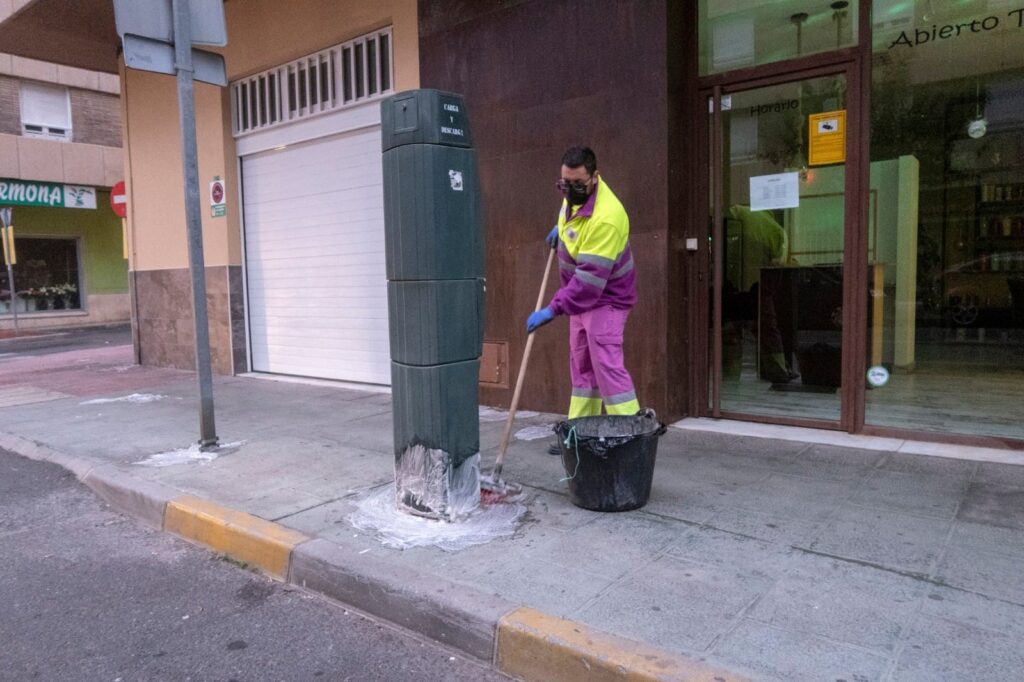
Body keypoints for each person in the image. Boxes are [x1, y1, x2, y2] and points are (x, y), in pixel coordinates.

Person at [526, 146, 640, 453]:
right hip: (578, 301)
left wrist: (552, 309)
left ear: (594, 178)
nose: (570, 190)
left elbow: (589, 283)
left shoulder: (608, 217)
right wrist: (561, 228)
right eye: (565, 183)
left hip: (606, 299)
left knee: (607, 367)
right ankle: (578, 435)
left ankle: (631, 437)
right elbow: (573, 215)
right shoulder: (573, 197)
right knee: (582, 368)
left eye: (577, 184)